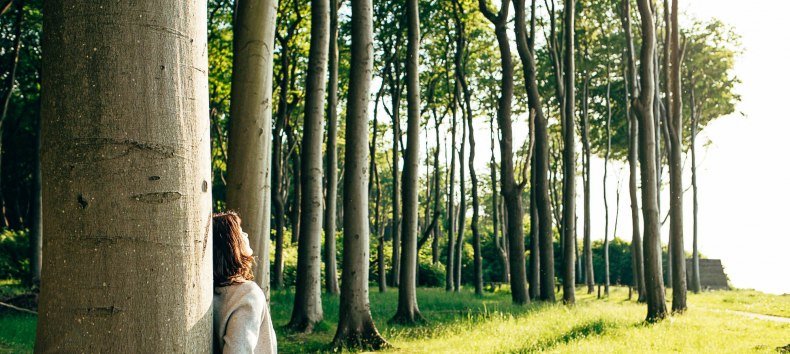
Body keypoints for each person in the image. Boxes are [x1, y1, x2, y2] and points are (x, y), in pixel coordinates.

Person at [212, 211, 277, 353]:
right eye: (240, 232)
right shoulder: (247, 293)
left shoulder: (209, 292)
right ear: (230, 244)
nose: (246, 235)